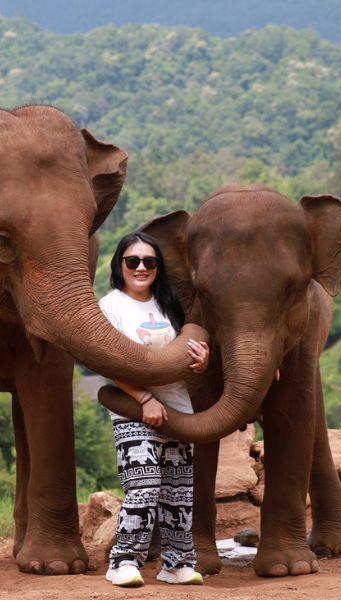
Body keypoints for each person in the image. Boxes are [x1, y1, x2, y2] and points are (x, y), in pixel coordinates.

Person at [98, 232, 209, 587]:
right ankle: (123, 562)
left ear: (158, 268)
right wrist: (144, 399)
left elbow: (185, 354)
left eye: (150, 261)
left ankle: (177, 565)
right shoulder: (110, 306)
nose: (141, 267)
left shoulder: (168, 306)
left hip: (177, 411)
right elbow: (107, 360)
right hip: (133, 411)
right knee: (143, 487)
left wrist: (202, 362)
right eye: (133, 261)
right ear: (120, 266)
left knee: (178, 493)